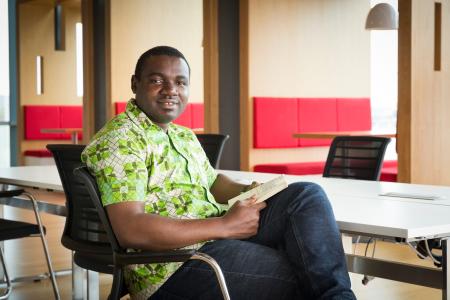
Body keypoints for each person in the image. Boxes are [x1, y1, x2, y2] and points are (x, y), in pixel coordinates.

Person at [82, 46, 356, 300]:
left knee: (305, 195)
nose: (170, 90)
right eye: (157, 80)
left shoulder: (183, 135)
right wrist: (224, 226)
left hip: (214, 237)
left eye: (180, 82)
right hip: (172, 266)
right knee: (307, 272)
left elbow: (212, 183)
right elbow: (130, 228)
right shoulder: (121, 139)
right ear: (135, 84)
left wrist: (245, 191)